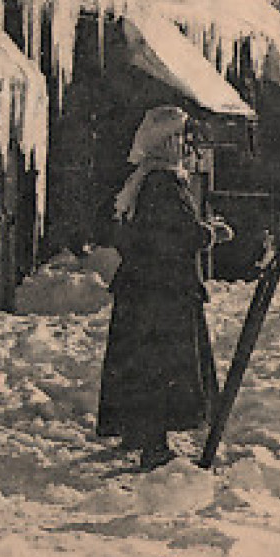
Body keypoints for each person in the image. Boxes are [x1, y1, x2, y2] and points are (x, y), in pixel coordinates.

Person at [96, 106, 229, 470]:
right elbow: (176, 234)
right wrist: (210, 233)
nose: (189, 149)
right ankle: (153, 444)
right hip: (163, 289)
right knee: (160, 364)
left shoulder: (145, 178)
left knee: (140, 361)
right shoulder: (163, 183)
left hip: (145, 286)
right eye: (184, 141)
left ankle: (137, 432)